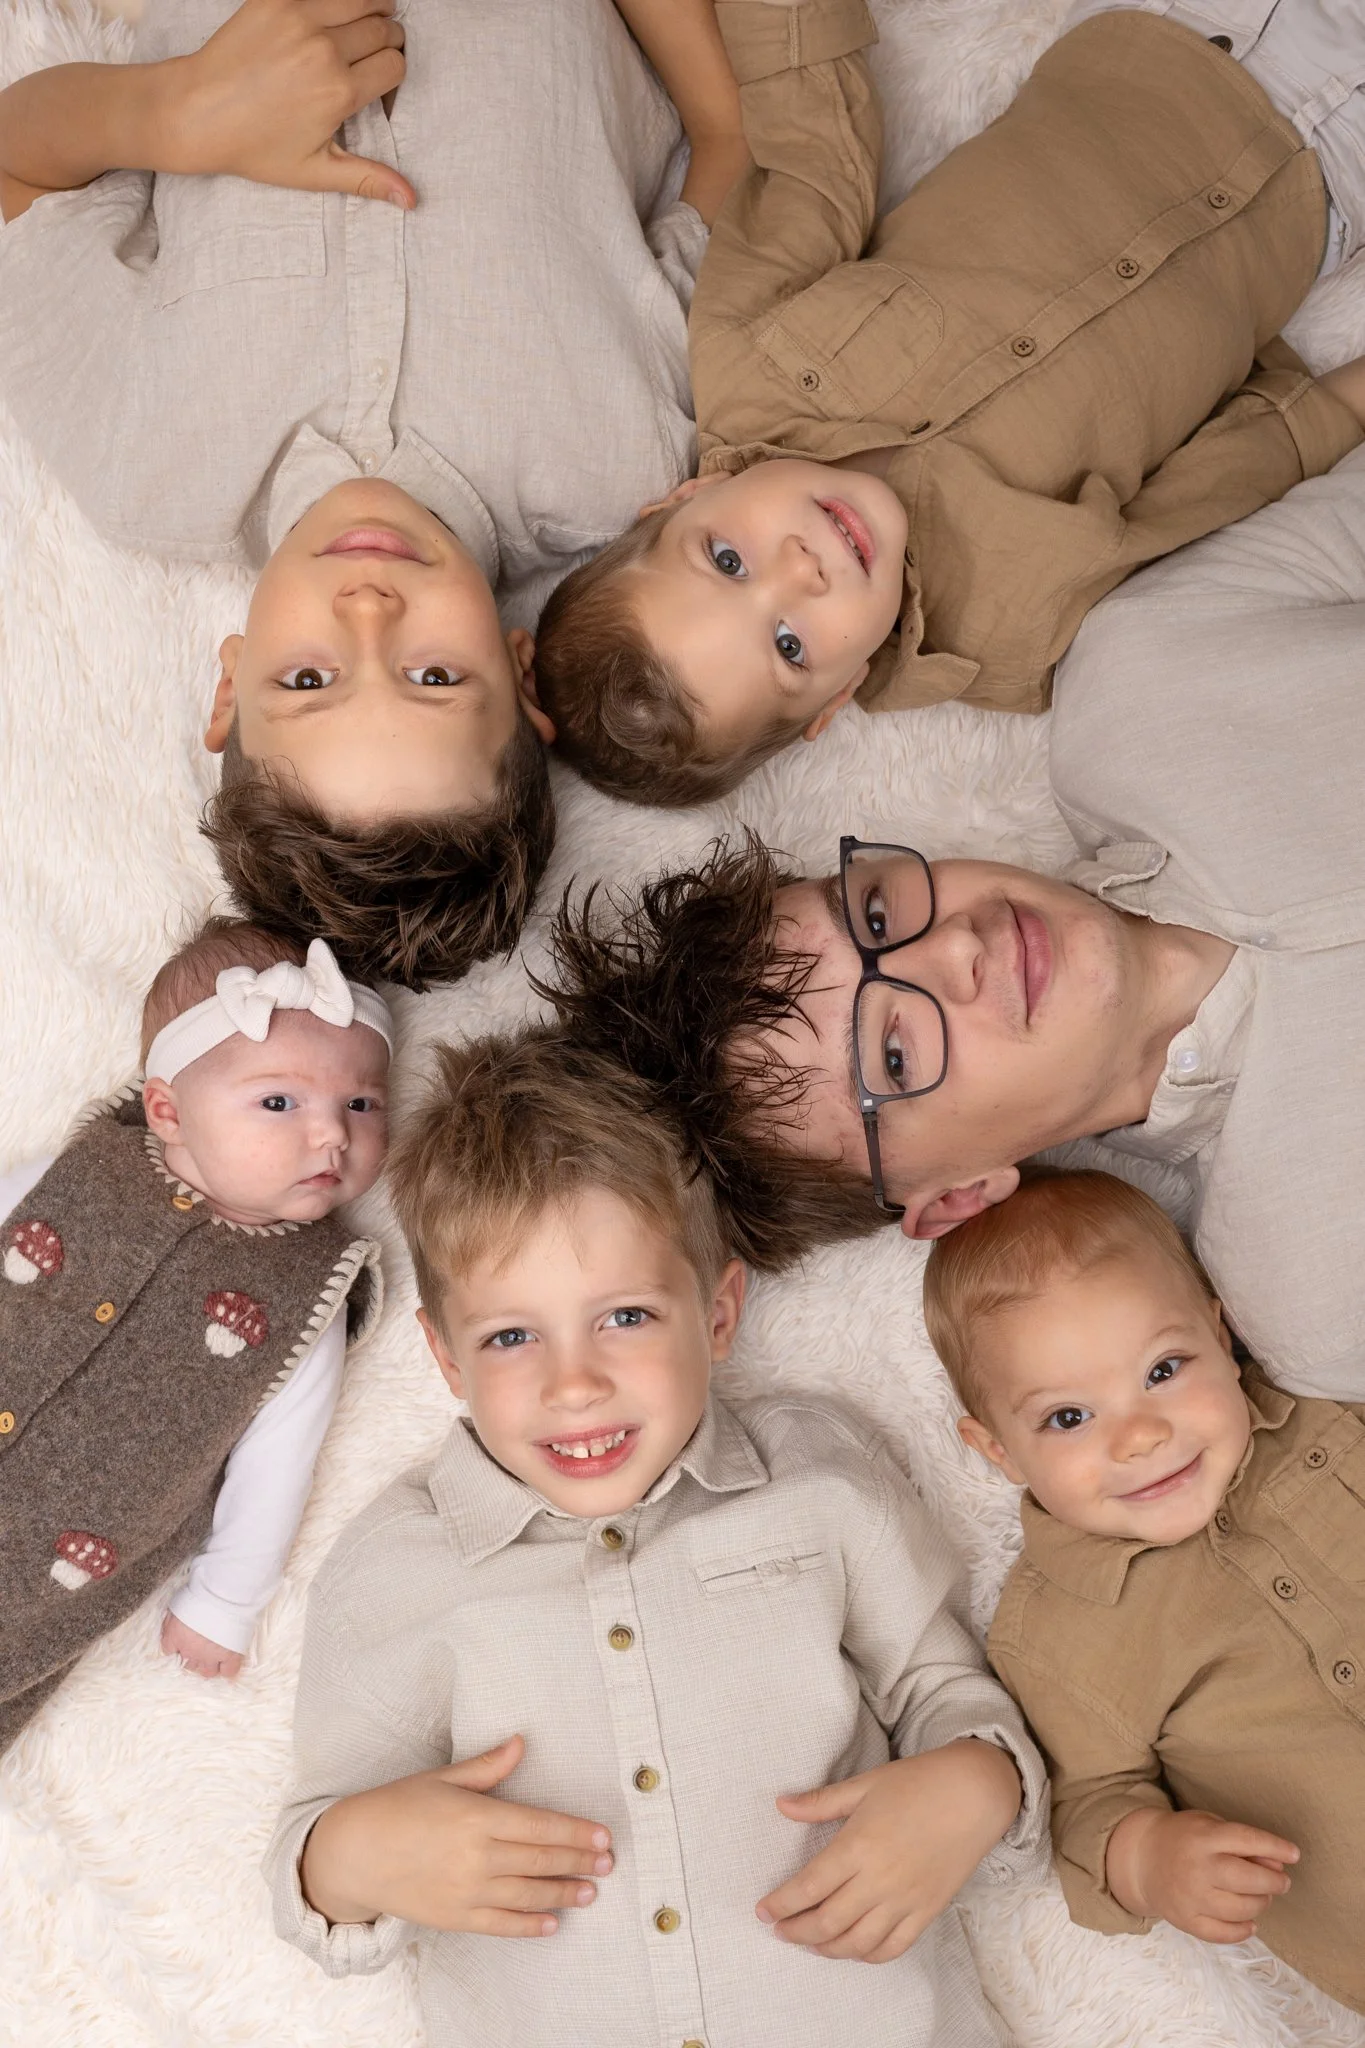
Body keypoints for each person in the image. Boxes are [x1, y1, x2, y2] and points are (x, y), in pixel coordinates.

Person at [262, 1032, 1049, 2048]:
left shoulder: (817, 1476)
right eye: (511, 1335)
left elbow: (946, 1688)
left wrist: (971, 1784)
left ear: (718, 1312)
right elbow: (310, 1849)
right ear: (444, 1356)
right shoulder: (397, 1565)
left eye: (625, 1314)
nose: (573, 1382)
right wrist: (354, 1855)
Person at [537, 442, 1365, 1399]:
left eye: (880, 913)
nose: (956, 949)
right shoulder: (1318, 1287)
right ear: (957, 1195)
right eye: (893, 1055)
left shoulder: (1144, 680)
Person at [0, 0, 744, 984]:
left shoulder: (143, 464)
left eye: (308, 681)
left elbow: (16, 168)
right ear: (524, 676)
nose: (369, 613)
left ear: (229, 683)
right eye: (434, 677)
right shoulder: (621, 455)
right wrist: (727, 124)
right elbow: (732, 181)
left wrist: (175, 113)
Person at [532, 0, 1365, 806]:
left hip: (1163, 42)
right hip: (1332, 189)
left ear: (682, 498)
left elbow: (814, 150)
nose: (801, 569)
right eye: (788, 646)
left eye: (726, 560)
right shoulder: (1013, 635)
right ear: (835, 699)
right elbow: (1220, 484)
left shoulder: (751, 347)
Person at [921, 1167, 1365, 2018]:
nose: (1140, 1436)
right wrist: (1149, 1856)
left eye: (1163, 1369)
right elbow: (1088, 1802)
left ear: (1220, 1332)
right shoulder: (1058, 1631)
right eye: (1067, 1418)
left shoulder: (1328, 1421)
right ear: (998, 1451)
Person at [0, 919, 389, 1747]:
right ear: (168, 1112)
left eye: (360, 1103)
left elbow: (277, 1466)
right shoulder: (76, 1172)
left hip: (60, 1559)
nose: (331, 1133)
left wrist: (226, 1600)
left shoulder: (306, 1296)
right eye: (279, 1101)